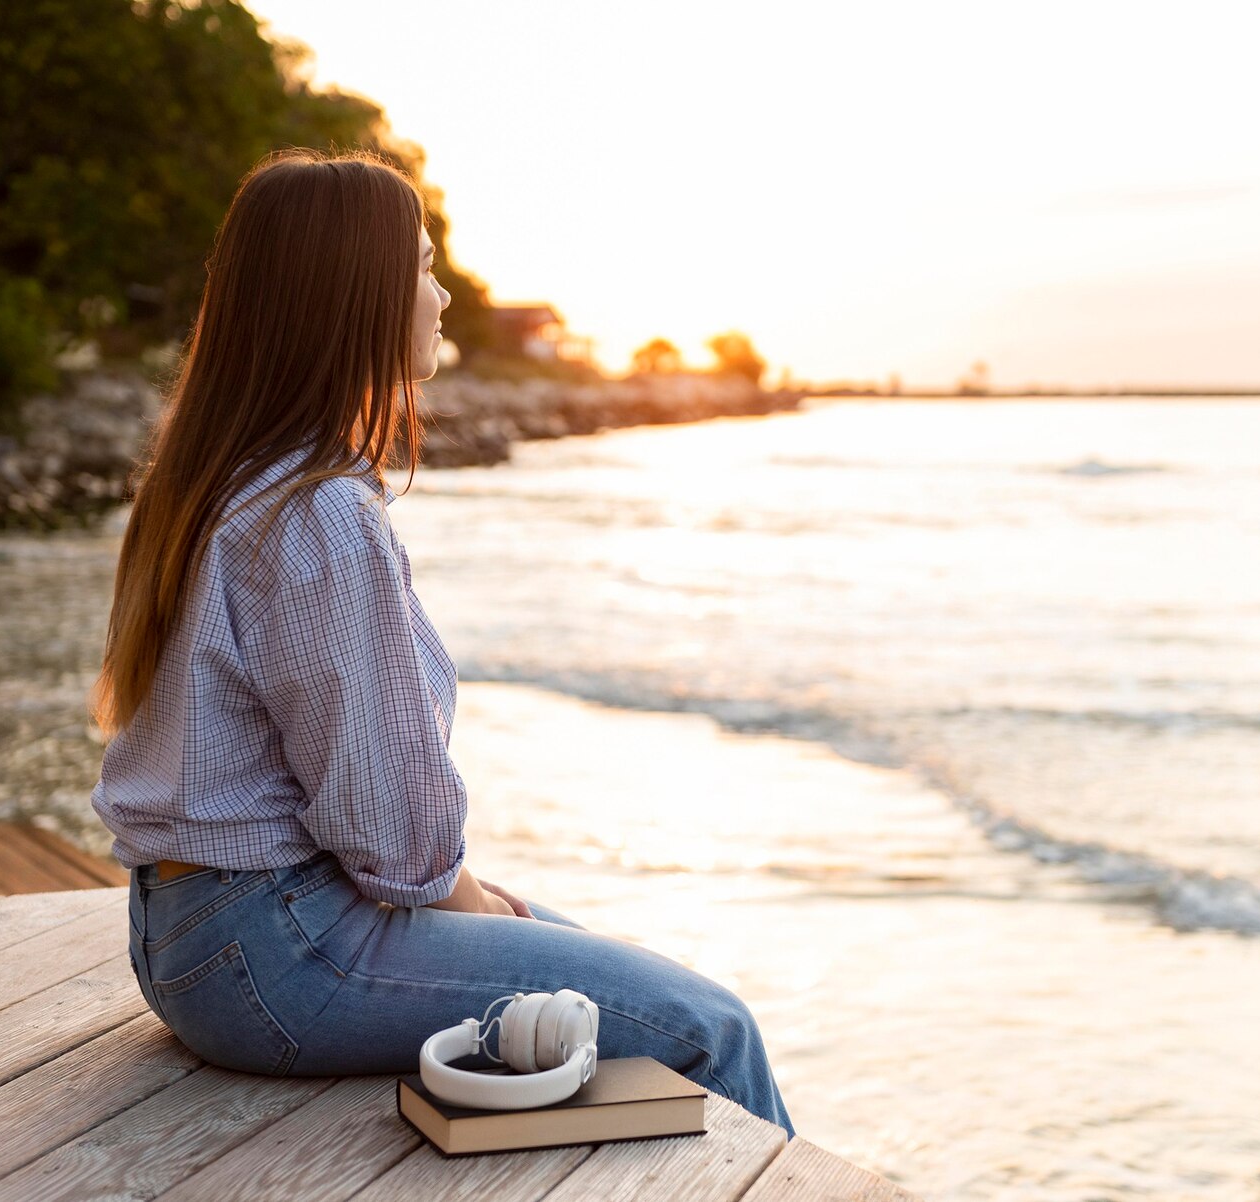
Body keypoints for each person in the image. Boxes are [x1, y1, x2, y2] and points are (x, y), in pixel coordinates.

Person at [87, 148, 794, 1139]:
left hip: (185, 937)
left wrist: (487, 906)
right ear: (357, 298)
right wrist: (476, 905)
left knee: (610, 974)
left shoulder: (222, 477)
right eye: (421, 268)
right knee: (709, 1028)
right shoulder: (319, 511)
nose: (443, 292)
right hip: (277, 950)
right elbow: (389, 828)